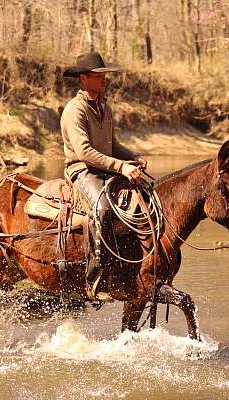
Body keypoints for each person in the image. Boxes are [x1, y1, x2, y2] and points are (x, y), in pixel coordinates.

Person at [61, 51, 147, 300]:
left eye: (105, 75)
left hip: (104, 168)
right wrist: (122, 167)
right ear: (84, 79)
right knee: (103, 209)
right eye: (99, 76)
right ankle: (97, 280)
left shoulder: (104, 107)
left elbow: (113, 145)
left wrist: (133, 156)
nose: (104, 80)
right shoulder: (74, 110)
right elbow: (85, 152)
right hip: (82, 170)